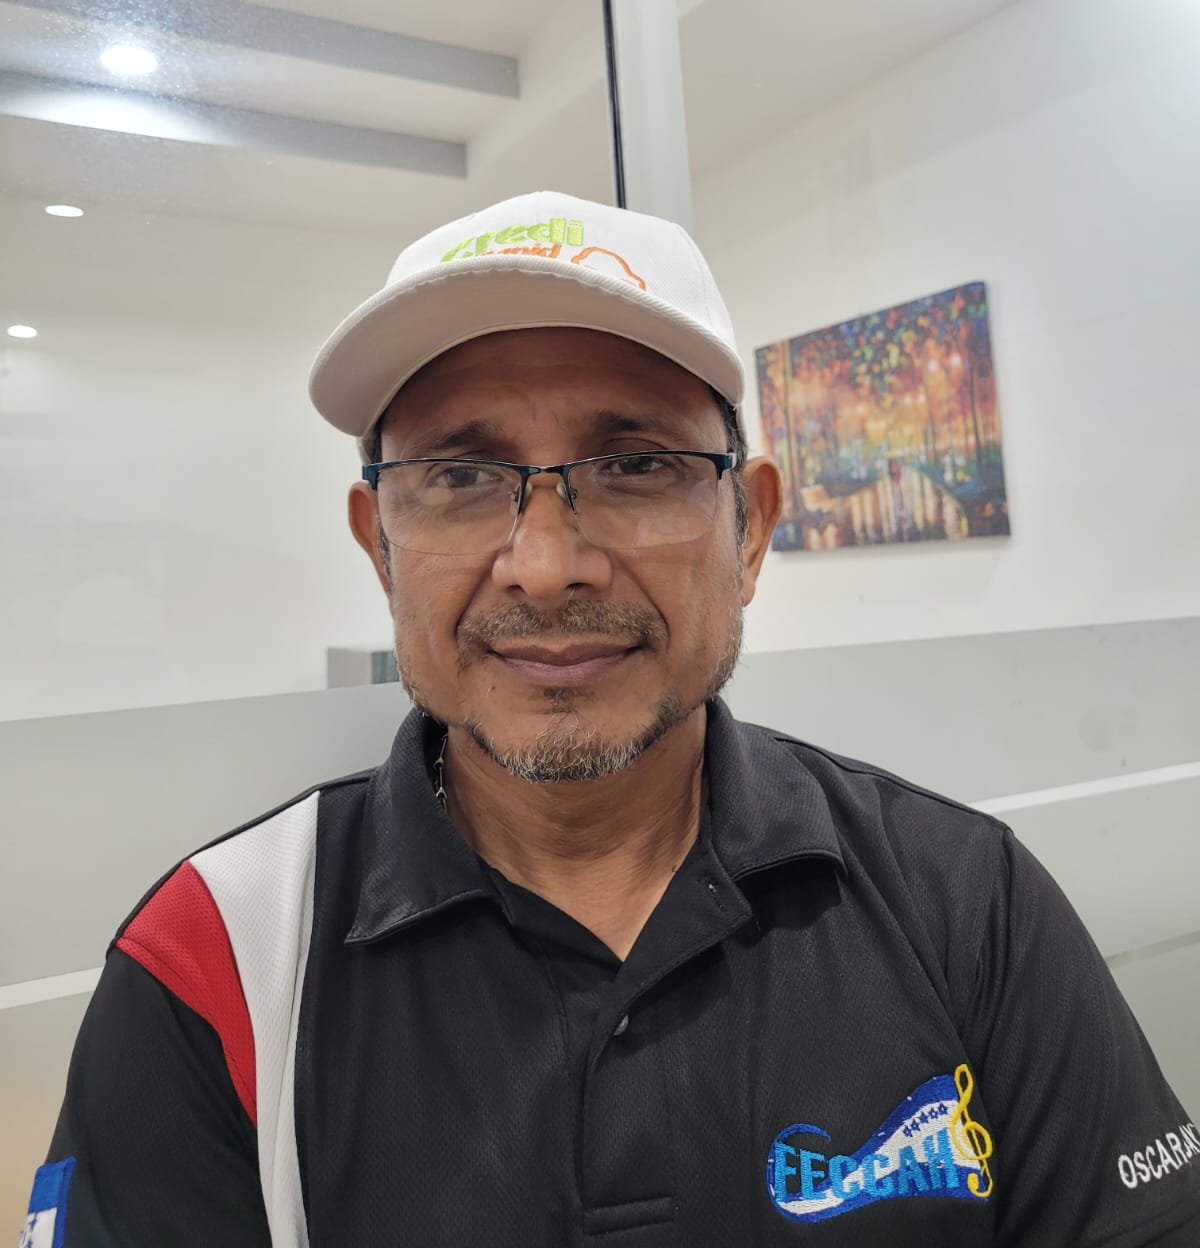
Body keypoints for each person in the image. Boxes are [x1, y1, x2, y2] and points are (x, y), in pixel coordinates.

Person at [29, 191, 1198, 1247]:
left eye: (635, 462)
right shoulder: (218, 960)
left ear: (750, 530)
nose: (545, 567)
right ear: (378, 546)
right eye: (459, 476)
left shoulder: (965, 900)